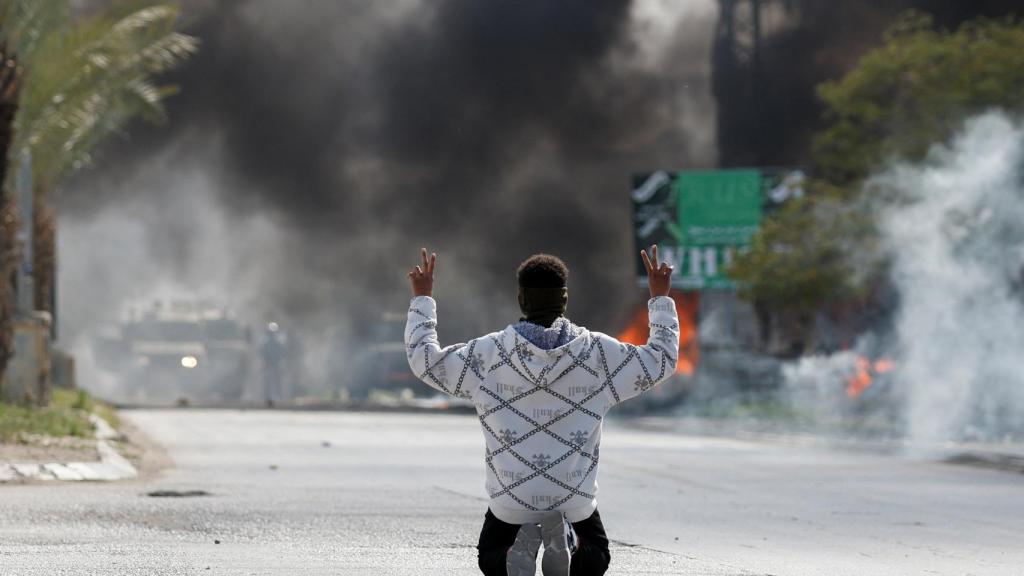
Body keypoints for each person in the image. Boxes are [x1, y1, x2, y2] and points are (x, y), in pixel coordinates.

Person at [405, 247, 679, 576]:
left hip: (512, 501)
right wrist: (659, 298)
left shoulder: (488, 355)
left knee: (489, 559)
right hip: (573, 499)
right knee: (596, 559)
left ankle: (511, 554)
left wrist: (423, 298)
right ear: (564, 300)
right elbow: (661, 359)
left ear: (522, 299)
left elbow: (425, 361)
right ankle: (571, 543)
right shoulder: (599, 356)